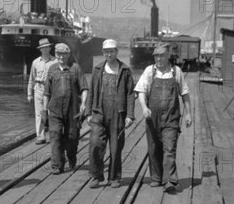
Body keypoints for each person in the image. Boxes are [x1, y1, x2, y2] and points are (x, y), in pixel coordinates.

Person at [134, 43, 192, 193]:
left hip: (171, 117)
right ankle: (156, 177)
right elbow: (141, 91)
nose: (159, 59)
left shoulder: (176, 72)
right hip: (152, 117)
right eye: (156, 56)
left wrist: (188, 113)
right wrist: (144, 107)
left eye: (162, 56)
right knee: (154, 148)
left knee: (169, 148)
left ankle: (170, 180)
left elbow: (184, 94)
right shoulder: (149, 71)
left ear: (168, 56)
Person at [86, 39, 135, 188]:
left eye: (112, 51)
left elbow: (130, 94)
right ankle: (96, 175)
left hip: (118, 113)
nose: (109, 54)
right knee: (95, 144)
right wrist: (88, 112)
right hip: (99, 112)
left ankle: (114, 177)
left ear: (116, 52)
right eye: (106, 51)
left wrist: (130, 115)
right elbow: (91, 91)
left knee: (115, 147)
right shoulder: (97, 69)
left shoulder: (125, 70)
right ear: (103, 53)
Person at [43, 43, 88, 175]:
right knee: (55, 136)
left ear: (68, 54)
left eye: (64, 54)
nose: (61, 57)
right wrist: (44, 111)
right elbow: (46, 92)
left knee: (72, 137)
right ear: (55, 55)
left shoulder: (75, 68)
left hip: (72, 110)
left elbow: (84, 88)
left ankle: (72, 156)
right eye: (58, 54)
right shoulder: (51, 69)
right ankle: (57, 165)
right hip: (55, 109)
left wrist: (83, 104)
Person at [27, 38, 56, 144]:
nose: (45, 49)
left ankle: (53, 135)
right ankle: (40, 136)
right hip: (38, 90)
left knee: (52, 113)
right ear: (40, 49)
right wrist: (29, 93)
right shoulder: (35, 62)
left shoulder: (55, 62)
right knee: (39, 113)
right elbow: (32, 78)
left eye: (47, 47)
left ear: (50, 48)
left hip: (52, 91)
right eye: (43, 48)